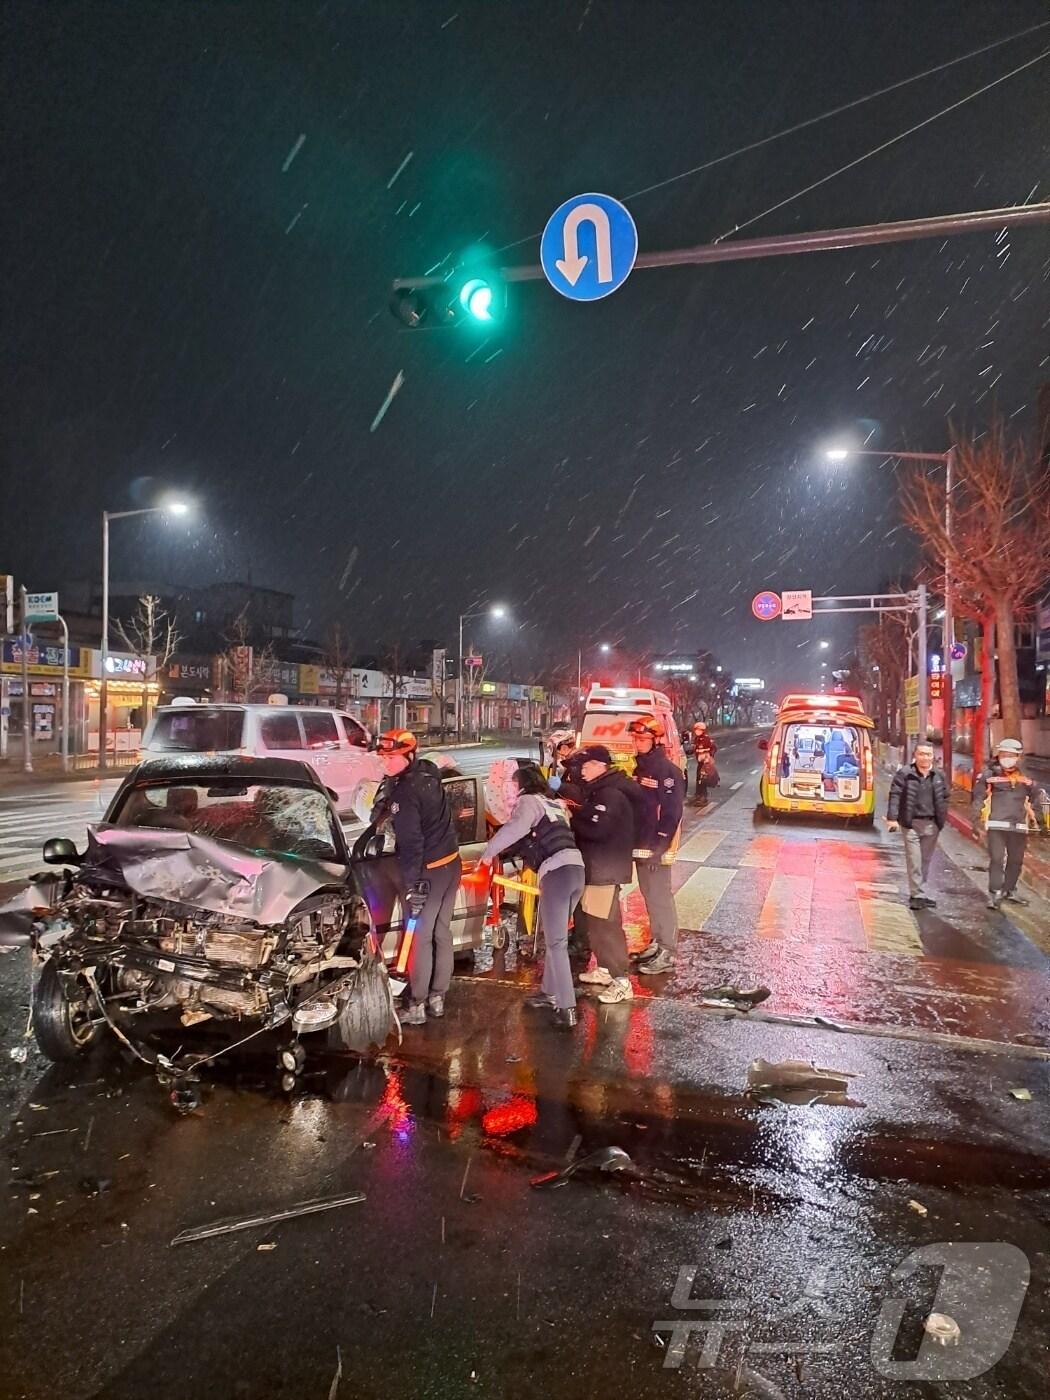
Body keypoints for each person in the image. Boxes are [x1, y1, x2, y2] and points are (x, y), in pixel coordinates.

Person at [479, 763, 585, 1029]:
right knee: (555, 936)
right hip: (576, 869)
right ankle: (549, 992)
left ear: (522, 785)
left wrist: (488, 853)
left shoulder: (528, 802)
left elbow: (515, 829)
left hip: (557, 873)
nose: (511, 790)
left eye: (513, 785)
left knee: (556, 943)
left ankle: (567, 1007)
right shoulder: (553, 804)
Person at [372, 728, 461, 1025]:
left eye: (392, 758)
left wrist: (413, 885)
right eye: (383, 758)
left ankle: (418, 1004)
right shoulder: (429, 773)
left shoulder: (405, 793)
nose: (386, 763)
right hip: (451, 864)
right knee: (442, 932)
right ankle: (438, 997)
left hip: (429, 872)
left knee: (421, 937)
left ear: (409, 756)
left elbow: (411, 843)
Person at [569, 745, 637, 1005]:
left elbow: (597, 831)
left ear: (600, 766)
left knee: (607, 926)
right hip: (597, 868)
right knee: (595, 924)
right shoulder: (599, 791)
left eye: (586, 766)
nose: (582, 772)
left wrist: (571, 818)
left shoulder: (610, 795)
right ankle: (606, 970)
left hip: (605, 870)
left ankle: (622, 981)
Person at [626, 718, 685, 975]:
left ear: (656, 741)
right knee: (649, 895)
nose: (637, 743)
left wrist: (659, 846)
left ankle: (668, 950)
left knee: (660, 897)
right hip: (642, 845)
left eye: (642, 739)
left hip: (658, 847)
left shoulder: (667, 772)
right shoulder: (640, 769)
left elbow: (671, 813)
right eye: (635, 739)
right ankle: (657, 941)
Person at [973, 738, 1048, 911]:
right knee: (997, 859)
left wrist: (1038, 820)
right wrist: (976, 820)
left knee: (1016, 860)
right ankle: (995, 893)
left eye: (1011, 755)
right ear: (998, 756)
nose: (1007, 758)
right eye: (1004, 755)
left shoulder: (1026, 777)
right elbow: (978, 797)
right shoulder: (989, 775)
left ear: (1018, 757)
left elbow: (1037, 797)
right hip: (996, 824)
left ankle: (1009, 890)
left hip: (1018, 825)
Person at [886, 742, 948, 910]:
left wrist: (942, 818)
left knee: (925, 861)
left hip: (932, 824)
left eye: (928, 754)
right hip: (911, 824)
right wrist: (892, 818)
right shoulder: (905, 774)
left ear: (933, 757)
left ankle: (920, 892)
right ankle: (916, 895)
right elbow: (895, 795)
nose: (925, 757)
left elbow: (945, 797)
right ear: (915, 755)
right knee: (915, 860)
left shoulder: (939, 776)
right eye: (921, 754)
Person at [691, 722, 718, 805]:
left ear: (703, 730)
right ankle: (698, 795)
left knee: (703, 780)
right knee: (698, 779)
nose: (697, 731)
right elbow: (695, 749)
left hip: (705, 763)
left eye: (699, 730)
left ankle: (703, 797)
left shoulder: (706, 739)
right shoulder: (697, 739)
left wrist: (709, 757)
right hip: (700, 763)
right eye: (696, 730)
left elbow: (714, 748)